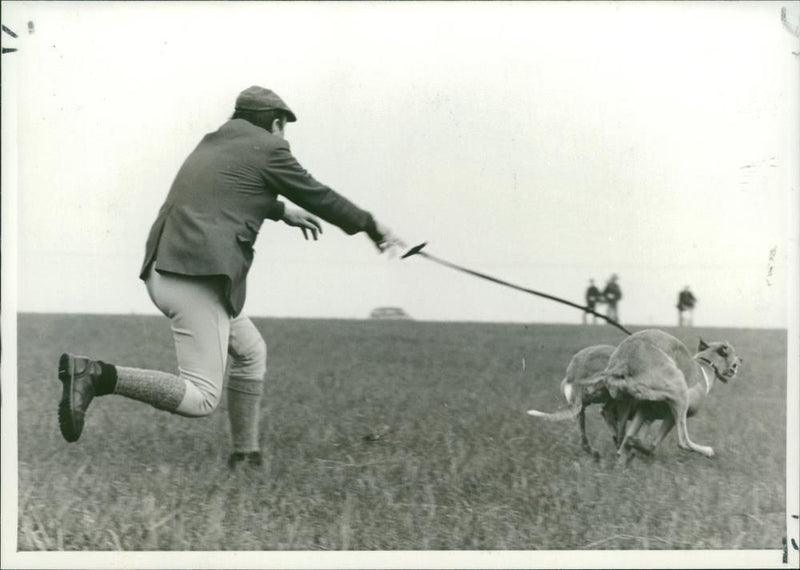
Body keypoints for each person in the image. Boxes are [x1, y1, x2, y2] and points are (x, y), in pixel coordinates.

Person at [56, 86, 403, 468]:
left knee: (251, 352)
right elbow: (318, 195)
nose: (283, 137)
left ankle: (245, 457)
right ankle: (97, 376)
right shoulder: (272, 148)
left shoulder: (214, 142)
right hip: (196, 275)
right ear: (275, 123)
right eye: (284, 129)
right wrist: (373, 227)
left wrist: (279, 210)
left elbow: (224, 188)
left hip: (167, 267)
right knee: (202, 397)